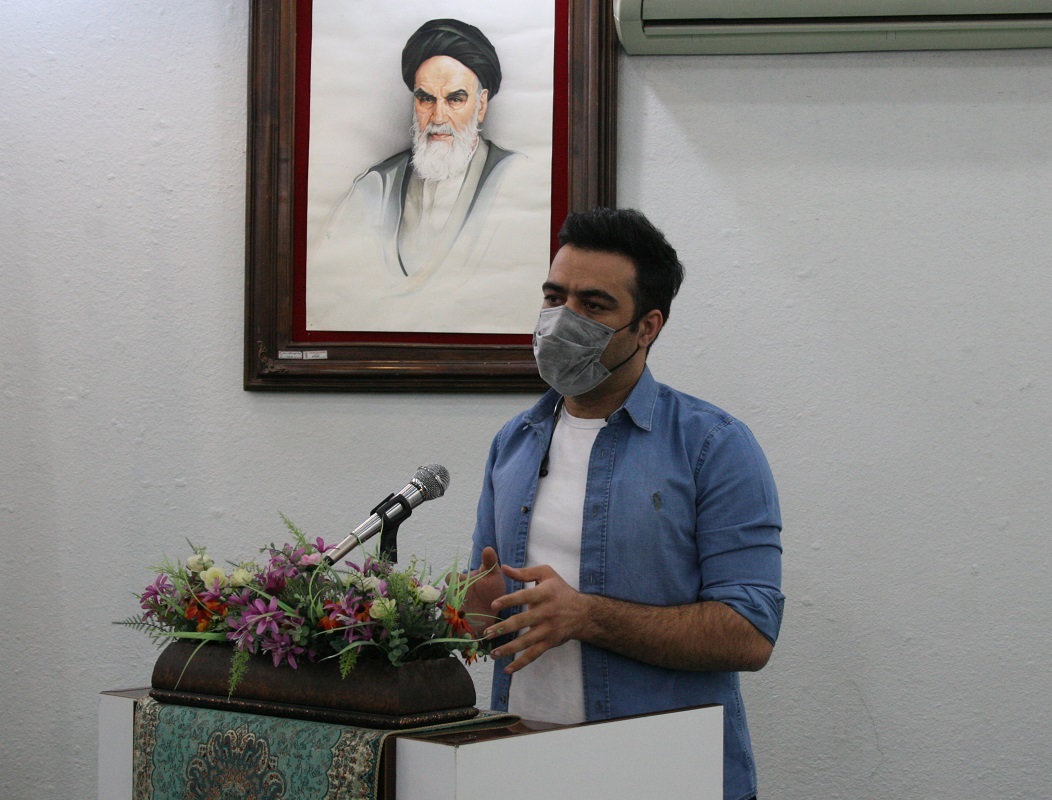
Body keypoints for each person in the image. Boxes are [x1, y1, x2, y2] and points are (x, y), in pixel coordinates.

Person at [466, 208, 784, 800]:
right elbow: (488, 615)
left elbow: (750, 632)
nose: (562, 320)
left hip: (665, 776)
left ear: (647, 327)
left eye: (593, 305)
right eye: (554, 297)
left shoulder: (714, 446)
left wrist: (586, 615)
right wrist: (474, 616)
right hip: (522, 767)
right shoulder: (514, 442)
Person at [307, 18, 541, 333]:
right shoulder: (376, 186)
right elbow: (327, 291)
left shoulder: (515, 179)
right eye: (426, 99)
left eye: (455, 99)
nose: (438, 116)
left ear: (481, 105)